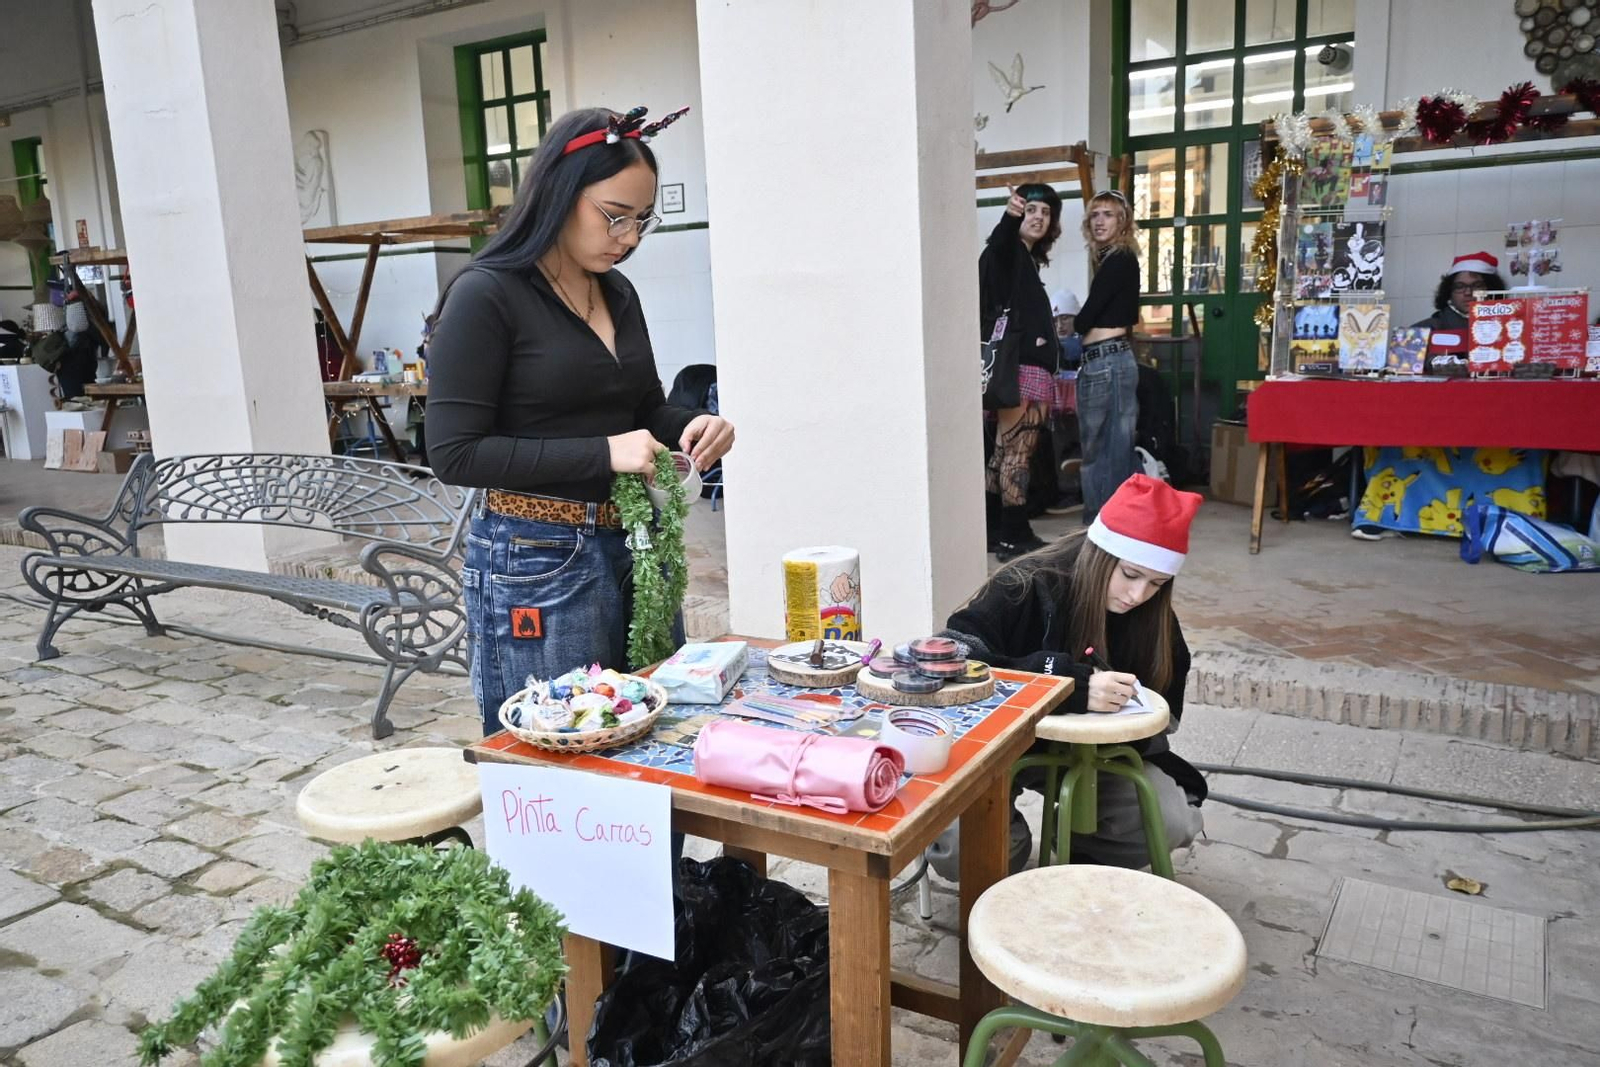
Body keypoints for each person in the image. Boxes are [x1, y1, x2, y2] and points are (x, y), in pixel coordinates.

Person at [425, 106, 735, 735]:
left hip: (637, 545)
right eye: (614, 216)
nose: (629, 237)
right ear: (561, 193)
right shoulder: (487, 294)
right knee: (561, 759)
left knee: (655, 737)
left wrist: (691, 426)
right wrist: (603, 453)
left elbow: (642, 406)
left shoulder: (617, 293)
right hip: (536, 560)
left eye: (642, 221)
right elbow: (454, 454)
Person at [932, 474, 1206, 876]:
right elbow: (952, 658)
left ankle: (1082, 848)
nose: (1138, 596)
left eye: (1157, 583)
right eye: (1129, 575)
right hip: (998, 750)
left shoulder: (1154, 617)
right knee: (962, 846)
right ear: (1102, 553)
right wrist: (1067, 686)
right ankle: (1010, 844)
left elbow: (1164, 717)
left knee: (1170, 821)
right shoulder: (1028, 583)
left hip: (1096, 757)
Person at [980, 183, 1064, 561]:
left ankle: (994, 530)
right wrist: (1009, 216)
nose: (1038, 218)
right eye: (1031, 210)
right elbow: (996, 248)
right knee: (1017, 454)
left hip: (1013, 370)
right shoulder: (1010, 251)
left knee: (1002, 455)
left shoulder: (1025, 261)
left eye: (1045, 213)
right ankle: (1015, 533)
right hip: (1024, 370)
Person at [1074, 189, 1142, 525]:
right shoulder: (1117, 259)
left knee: (1103, 452)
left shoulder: (1118, 260)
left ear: (1123, 221)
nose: (1100, 221)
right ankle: (1113, 527)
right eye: (1095, 214)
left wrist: (1075, 324)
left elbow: (1085, 318)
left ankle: (1099, 529)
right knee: (1113, 448)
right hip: (1111, 360)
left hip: (1106, 360)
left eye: (1109, 214)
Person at [1412, 251, 1507, 332]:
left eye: (1477, 285)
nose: (1468, 292)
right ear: (1449, 292)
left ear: (1492, 288)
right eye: (1460, 286)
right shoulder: (1425, 330)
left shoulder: (1510, 327)